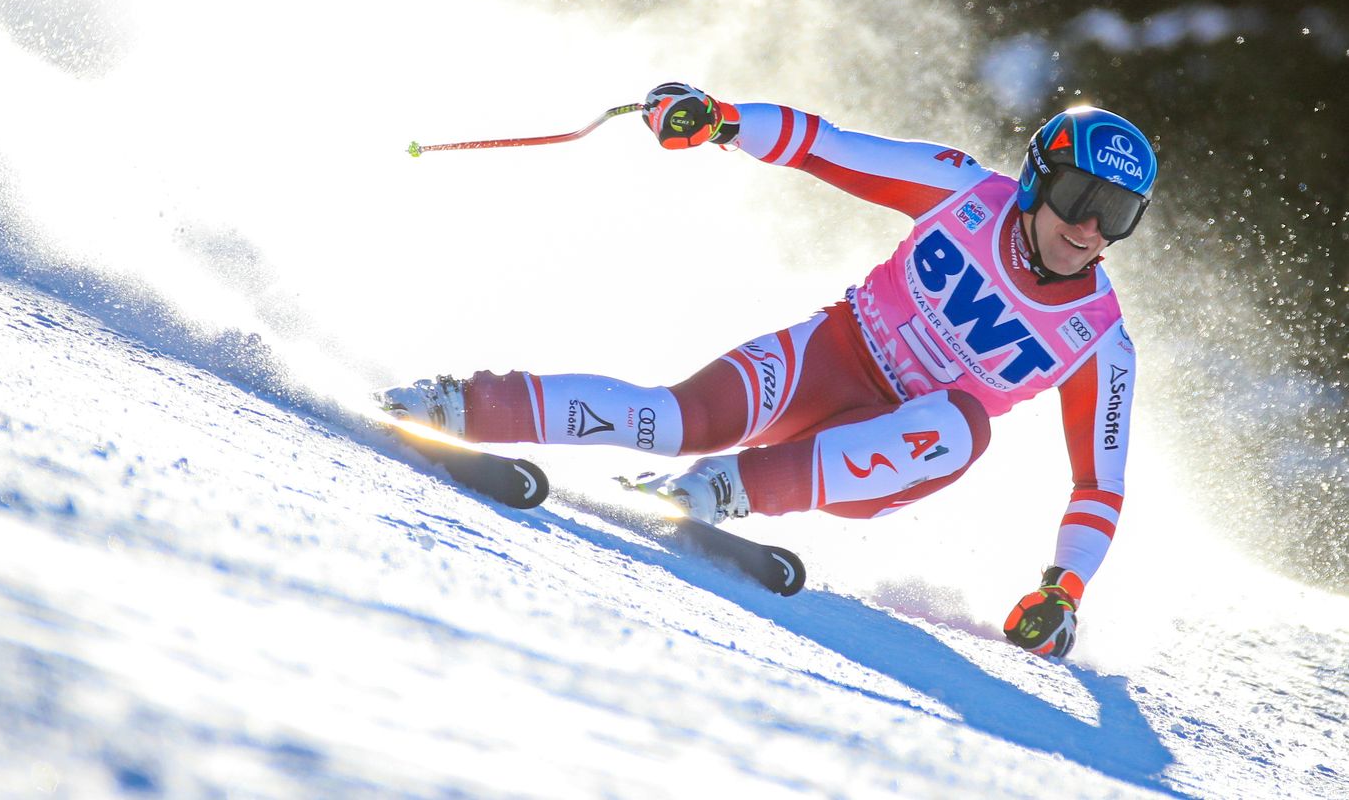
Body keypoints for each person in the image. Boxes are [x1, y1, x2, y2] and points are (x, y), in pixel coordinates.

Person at [380, 82, 1157, 659]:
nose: (1091, 228)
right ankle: (457, 404)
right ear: (1037, 180)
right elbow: (828, 146)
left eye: (1117, 213)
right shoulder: (964, 193)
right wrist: (720, 120)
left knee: (962, 424)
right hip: (831, 355)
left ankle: (720, 491)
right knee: (674, 420)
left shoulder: (1099, 339)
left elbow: (1100, 482)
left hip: (892, 451)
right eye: (1079, 197)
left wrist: (1063, 592)